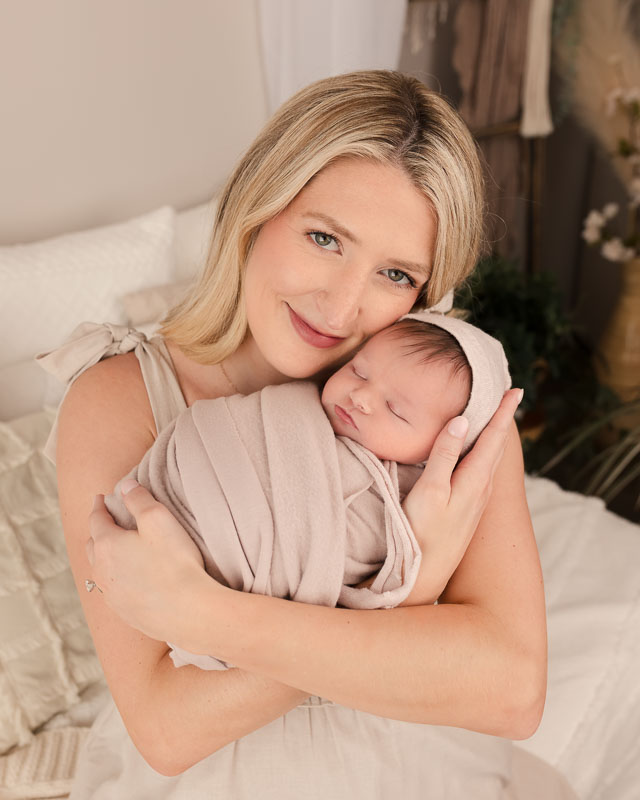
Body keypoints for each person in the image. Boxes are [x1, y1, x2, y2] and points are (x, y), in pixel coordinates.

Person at [43, 70, 547, 797]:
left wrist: (206, 615)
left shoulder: (448, 402)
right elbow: (166, 731)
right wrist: (408, 596)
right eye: (324, 238)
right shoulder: (120, 397)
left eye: (396, 274)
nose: (342, 306)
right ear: (256, 207)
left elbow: (512, 691)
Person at [102, 311, 512, 676]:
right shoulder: (294, 406)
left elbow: (367, 590)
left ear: (444, 447)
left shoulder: (401, 501)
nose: (362, 397)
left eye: (397, 410)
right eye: (359, 371)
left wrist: (422, 566)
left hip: (233, 575)